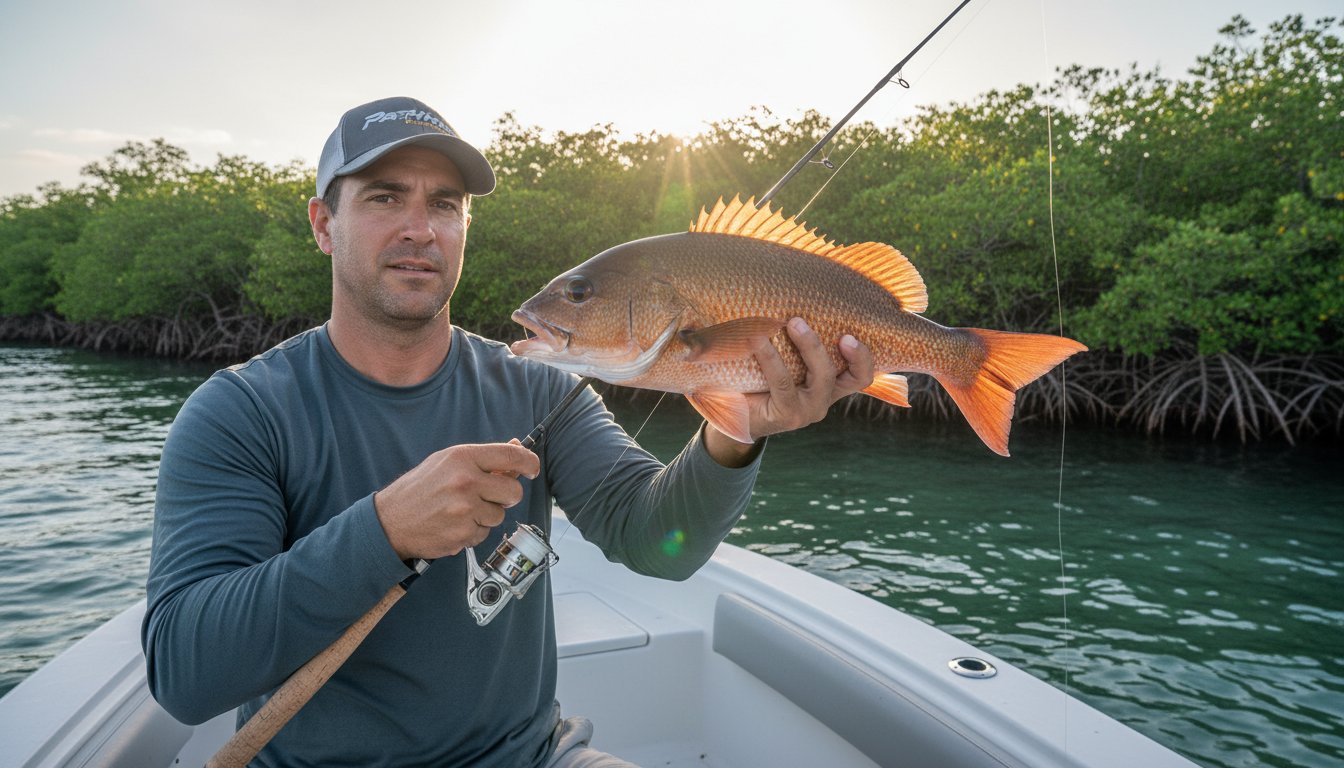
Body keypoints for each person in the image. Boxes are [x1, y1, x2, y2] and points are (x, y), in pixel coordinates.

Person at [142, 96, 875, 767]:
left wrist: (734, 433)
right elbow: (186, 671)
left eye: (446, 204)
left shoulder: (541, 386)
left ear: (465, 228)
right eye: (384, 197)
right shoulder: (239, 411)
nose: (420, 228)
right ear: (323, 224)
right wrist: (385, 531)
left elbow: (655, 541)